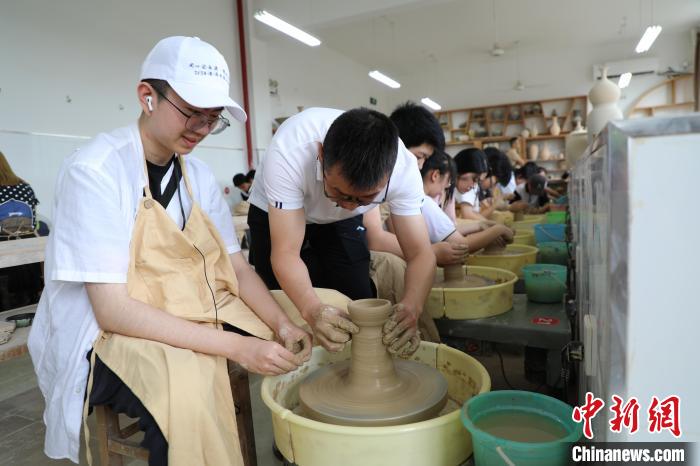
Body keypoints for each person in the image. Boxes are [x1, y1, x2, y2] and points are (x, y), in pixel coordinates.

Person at [28, 36, 311, 466]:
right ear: (147, 97)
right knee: (186, 388)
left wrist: (282, 323)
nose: (201, 128)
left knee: (312, 320)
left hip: (186, 306)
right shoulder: (96, 171)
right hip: (107, 334)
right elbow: (113, 311)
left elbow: (236, 267)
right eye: (192, 113)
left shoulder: (196, 174)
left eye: (213, 119)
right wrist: (236, 349)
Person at [247, 107, 435, 357]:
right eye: (340, 192)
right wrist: (312, 309)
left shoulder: (404, 170)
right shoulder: (290, 151)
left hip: (341, 221)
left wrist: (412, 307)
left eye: (365, 198)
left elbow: (421, 253)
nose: (348, 203)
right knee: (281, 303)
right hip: (276, 210)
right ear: (321, 155)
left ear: (389, 174)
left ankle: (354, 370)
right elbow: (286, 254)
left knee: (356, 297)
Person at [0, 150, 43, 310]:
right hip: (28, 243)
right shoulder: (25, 186)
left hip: (4, 246)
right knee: (28, 298)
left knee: (6, 300)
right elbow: (35, 220)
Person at [453, 148, 490, 221]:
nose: (473, 186)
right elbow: (468, 215)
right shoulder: (443, 188)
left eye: (477, 181)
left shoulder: (469, 186)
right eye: (475, 179)